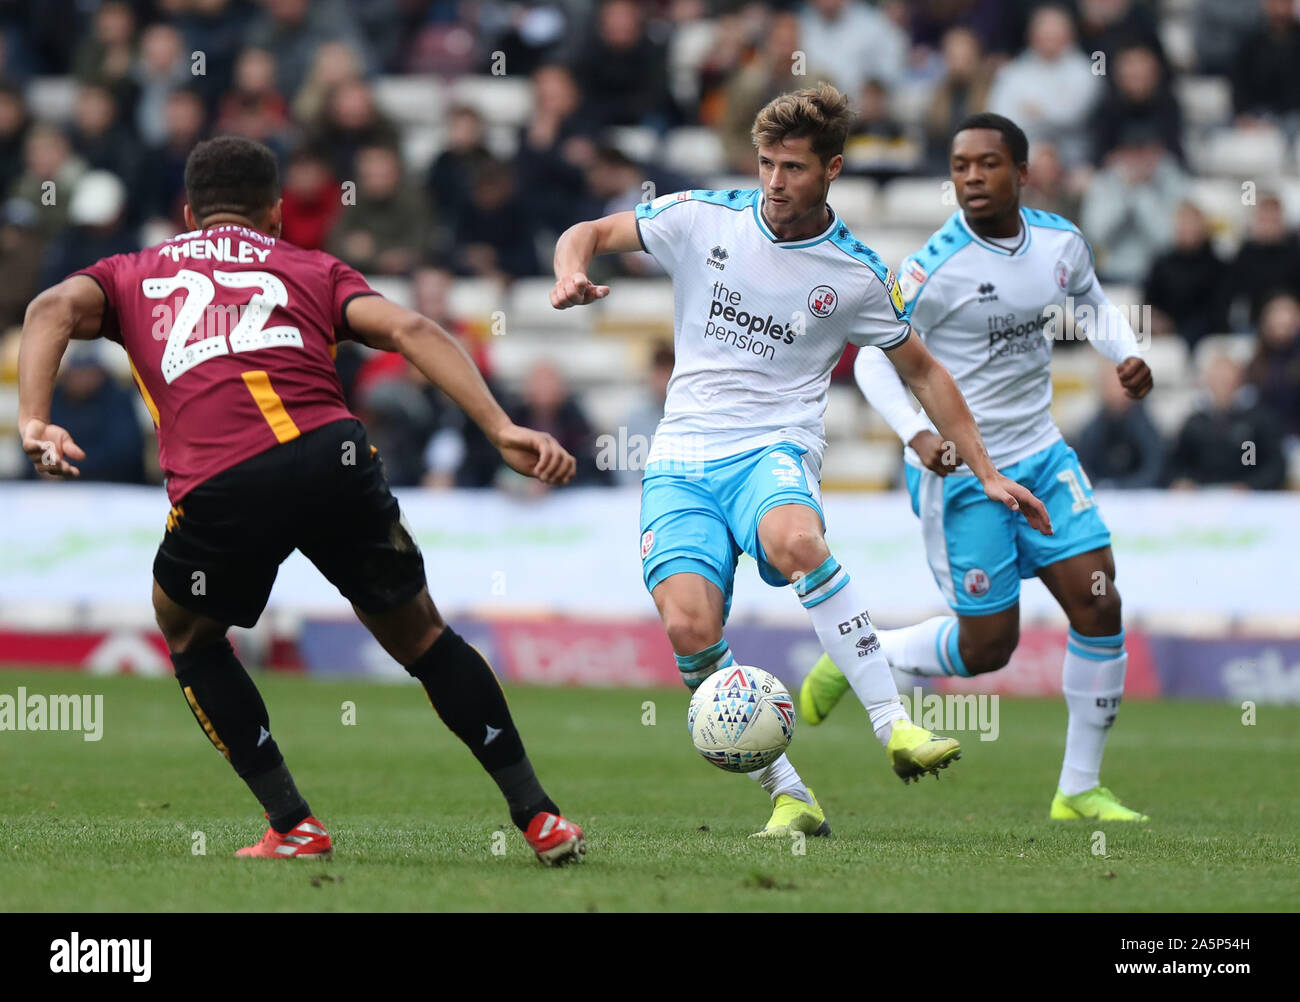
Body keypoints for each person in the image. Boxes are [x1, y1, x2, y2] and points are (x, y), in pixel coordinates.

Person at [17, 135, 586, 866]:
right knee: (422, 638)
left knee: (188, 634)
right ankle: (539, 818)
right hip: (334, 457)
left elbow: (48, 307)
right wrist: (501, 425)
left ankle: (293, 823)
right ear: (278, 215)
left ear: (187, 213)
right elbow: (409, 328)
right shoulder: (313, 266)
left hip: (224, 480)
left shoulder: (135, 271)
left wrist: (35, 419)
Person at [551, 84, 1050, 838]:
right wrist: (568, 272)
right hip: (682, 455)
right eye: (765, 164)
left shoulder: (852, 272)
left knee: (796, 543)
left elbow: (924, 371)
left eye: (792, 167)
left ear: (832, 170)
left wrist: (985, 470)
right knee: (688, 626)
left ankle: (895, 726)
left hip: (772, 449)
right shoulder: (701, 218)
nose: (775, 182)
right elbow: (587, 230)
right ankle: (788, 794)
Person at [801, 113, 1154, 823]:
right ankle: (863, 652)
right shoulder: (934, 268)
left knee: (1100, 599)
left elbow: (1087, 298)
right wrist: (914, 434)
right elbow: (870, 355)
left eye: (987, 164)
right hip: (961, 472)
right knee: (990, 647)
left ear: (1022, 173)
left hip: (1043, 453)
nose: (971, 177)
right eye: (960, 166)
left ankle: (1078, 789)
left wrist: (1122, 353)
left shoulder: (1061, 242)